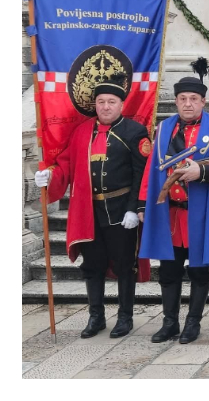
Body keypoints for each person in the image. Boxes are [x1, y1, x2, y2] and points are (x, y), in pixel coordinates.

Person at [34, 67, 149, 339]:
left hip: (122, 211)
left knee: (124, 266)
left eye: (111, 102)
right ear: (94, 105)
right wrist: (49, 175)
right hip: (88, 211)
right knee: (92, 265)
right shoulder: (81, 132)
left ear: (121, 104)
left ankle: (125, 317)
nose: (106, 106)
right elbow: (66, 165)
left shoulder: (135, 132)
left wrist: (135, 208)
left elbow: (141, 175)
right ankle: (96, 317)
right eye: (101, 102)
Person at [140, 57, 209, 344]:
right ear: (176, 101)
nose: (187, 104)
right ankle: (169, 322)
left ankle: (192, 323)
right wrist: (142, 203)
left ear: (203, 101)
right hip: (169, 213)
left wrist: (202, 171)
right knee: (168, 271)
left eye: (193, 99)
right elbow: (151, 169)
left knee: (199, 270)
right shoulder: (163, 130)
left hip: (201, 212)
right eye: (182, 98)